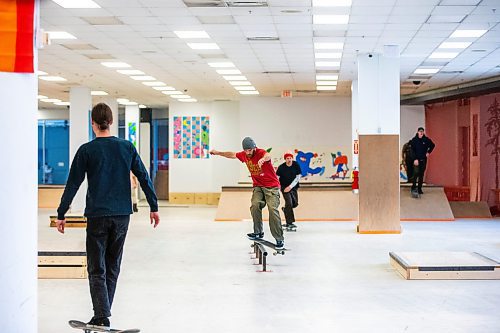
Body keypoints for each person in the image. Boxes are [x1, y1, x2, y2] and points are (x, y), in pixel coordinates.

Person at [55, 103, 160, 330]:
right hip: (122, 215)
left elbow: (73, 183)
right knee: (112, 265)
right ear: (111, 122)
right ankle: (102, 315)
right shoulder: (126, 147)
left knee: (96, 267)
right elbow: (143, 176)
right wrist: (153, 205)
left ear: (93, 123)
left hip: (97, 216)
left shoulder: (87, 150)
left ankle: (102, 316)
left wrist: (61, 213)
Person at [210, 137, 284, 249]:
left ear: (254, 148)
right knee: (255, 205)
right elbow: (232, 154)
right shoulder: (244, 155)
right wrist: (218, 152)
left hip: (272, 187)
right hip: (258, 186)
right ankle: (258, 232)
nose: (248, 152)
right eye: (246, 150)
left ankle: (279, 238)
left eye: (250, 150)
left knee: (272, 209)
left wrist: (263, 159)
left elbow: (267, 155)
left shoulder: (261, 152)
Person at [276, 152, 301, 229]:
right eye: (287, 158)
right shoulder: (281, 167)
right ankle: (289, 223)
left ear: (292, 158)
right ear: (285, 159)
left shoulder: (296, 165)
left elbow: (298, 177)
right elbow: (277, 177)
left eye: (290, 158)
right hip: (284, 187)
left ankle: (285, 209)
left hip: (293, 186)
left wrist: (290, 187)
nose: (289, 160)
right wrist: (278, 187)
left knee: (295, 203)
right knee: (289, 203)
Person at [410, 127, 435, 194]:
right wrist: (415, 159)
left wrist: (428, 152)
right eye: (420, 131)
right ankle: (413, 187)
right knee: (416, 173)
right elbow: (412, 150)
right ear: (418, 132)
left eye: (422, 131)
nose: (421, 132)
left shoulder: (426, 140)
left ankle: (419, 188)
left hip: (423, 160)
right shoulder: (414, 140)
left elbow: (433, 145)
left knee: (421, 174)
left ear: (423, 132)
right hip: (416, 160)